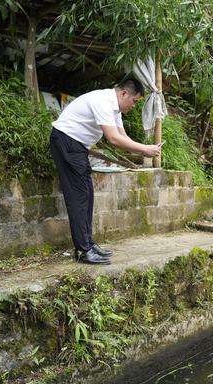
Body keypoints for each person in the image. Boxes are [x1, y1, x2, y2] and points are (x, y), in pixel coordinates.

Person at [49, 79, 161, 264]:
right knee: (79, 196)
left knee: (87, 193)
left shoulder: (115, 108)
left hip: (77, 146)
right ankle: (83, 251)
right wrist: (145, 150)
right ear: (124, 94)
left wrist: (144, 148)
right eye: (134, 101)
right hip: (66, 141)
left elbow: (122, 136)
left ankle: (88, 244)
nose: (133, 106)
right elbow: (113, 139)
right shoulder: (103, 101)